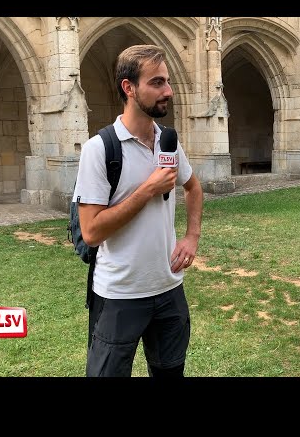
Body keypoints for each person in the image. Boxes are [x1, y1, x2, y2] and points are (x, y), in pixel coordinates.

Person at [73, 44, 203, 378]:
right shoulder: (99, 149)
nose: (169, 91)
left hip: (169, 289)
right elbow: (92, 231)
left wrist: (191, 237)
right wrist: (148, 189)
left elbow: (193, 187)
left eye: (168, 82)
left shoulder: (168, 141)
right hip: (119, 295)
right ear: (129, 88)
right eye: (157, 83)